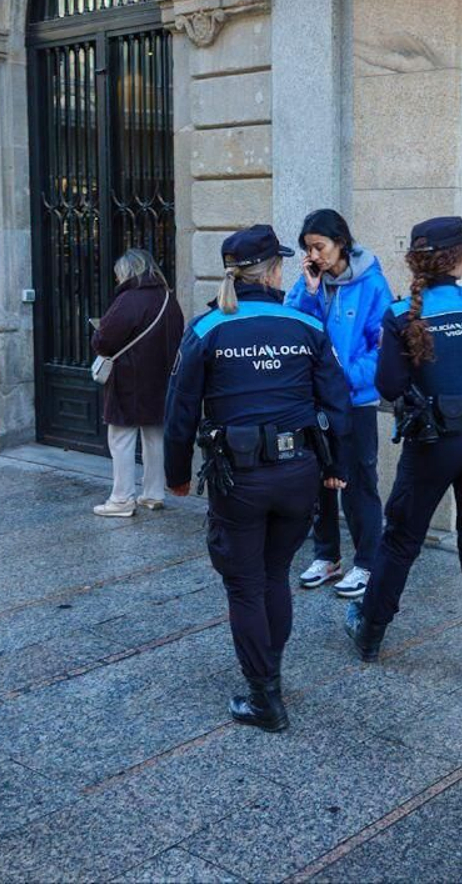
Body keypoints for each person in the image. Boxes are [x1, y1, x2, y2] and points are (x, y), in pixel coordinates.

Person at [164, 225, 350, 732]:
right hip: (298, 475)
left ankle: (264, 696)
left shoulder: (208, 328)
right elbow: (337, 401)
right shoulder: (303, 325)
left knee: (246, 585)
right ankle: (271, 677)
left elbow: (179, 410)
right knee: (273, 576)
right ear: (272, 272)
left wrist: (176, 474)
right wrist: (335, 468)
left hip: (239, 477)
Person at [344, 217, 462, 693]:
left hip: (432, 443)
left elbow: (387, 385)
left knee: (402, 540)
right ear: (459, 258)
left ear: (415, 261)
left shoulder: (402, 313)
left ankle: (370, 633)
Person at [284, 209, 392, 599]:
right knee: (318, 479)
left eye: (320, 246)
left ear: (340, 242)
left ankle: (367, 562)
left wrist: (340, 378)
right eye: (308, 248)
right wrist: (310, 292)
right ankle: (326, 554)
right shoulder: (309, 283)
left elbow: (383, 348)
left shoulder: (372, 284)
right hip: (314, 402)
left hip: (354, 401)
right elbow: (293, 329)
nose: (315, 255)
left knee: (359, 480)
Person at [90, 247, 183, 517]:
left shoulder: (128, 299)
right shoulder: (168, 297)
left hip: (129, 380)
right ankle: (153, 494)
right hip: (162, 378)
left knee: (121, 438)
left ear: (128, 271)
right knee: (155, 437)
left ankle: (121, 500)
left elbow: (104, 340)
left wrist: (97, 337)